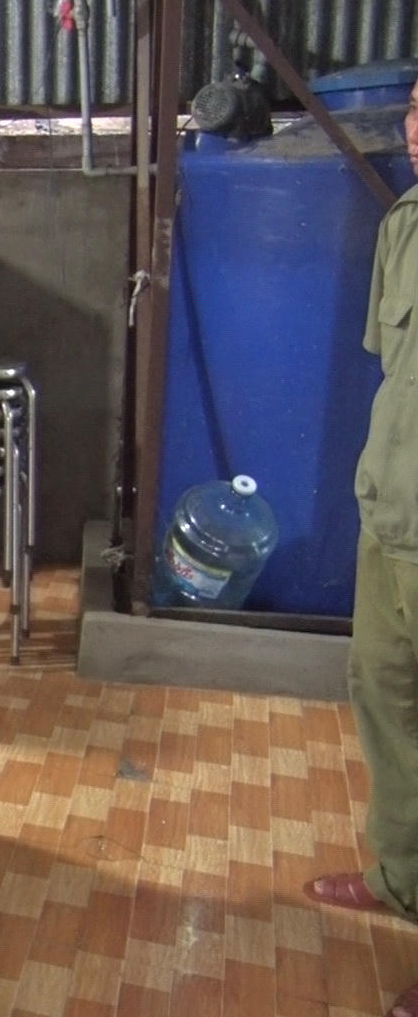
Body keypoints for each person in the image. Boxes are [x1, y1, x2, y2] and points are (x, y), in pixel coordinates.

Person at [305, 74, 418, 1017]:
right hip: (393, 509)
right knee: (382, 693)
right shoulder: (405, 225)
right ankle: (403, 876)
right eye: (416, 109)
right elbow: (393, 363)